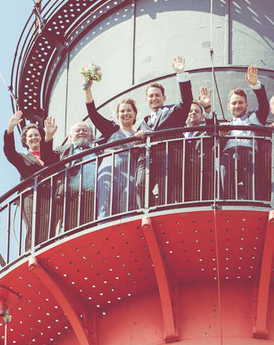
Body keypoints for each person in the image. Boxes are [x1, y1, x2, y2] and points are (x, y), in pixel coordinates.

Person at [134, 56, 194, 206]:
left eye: (157, 95)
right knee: (140, 185)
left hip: (168, 156)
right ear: (146, 100)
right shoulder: (143, 122)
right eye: (151, 96)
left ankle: (161, 211)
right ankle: (149, 209)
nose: (154, 98)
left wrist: (181, 74)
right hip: (147, 159)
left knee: (165, 187)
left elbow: (186, 101)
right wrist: (137, 137)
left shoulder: (172, 111)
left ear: (164, 98)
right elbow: (135, 145)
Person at [84, 80, 139, 218]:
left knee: (127, 204)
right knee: (105, 202)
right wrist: (87, 91)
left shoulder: (139, 133)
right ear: (117, 114)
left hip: (130, 171)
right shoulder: (111, 129)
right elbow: (93, 115)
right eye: (122, 111)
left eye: (129, 110)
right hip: (110, 169)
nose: (125, 113)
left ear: (135, 114)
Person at [4, 111, 58, 248]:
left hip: (51, 196)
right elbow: (9, 152)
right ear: (25, 141)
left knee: (49, 227)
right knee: (34, 225)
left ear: (41, 137)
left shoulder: (52, 154)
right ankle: (31, 253)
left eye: (36, 135)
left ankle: (47, 250)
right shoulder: (22, 158)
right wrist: (10, 130)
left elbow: (48, 158)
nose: (33, 138)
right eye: (30, 136)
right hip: (31, 196)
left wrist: (49, 136)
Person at [220, 66, 270, 200]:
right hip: (229, 154)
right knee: (224, 170)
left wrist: (256, 85)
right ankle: (226, 203)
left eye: (240, 103)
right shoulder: (225, 125)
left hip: (249, 154)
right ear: (229, 106)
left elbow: (264, 106)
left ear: (247, 105)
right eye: (234, 103)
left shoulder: (253, 118)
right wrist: (223, 135)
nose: (237, 106)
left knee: (252, 184)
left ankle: (253, 203)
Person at [48, 121, 98, 236]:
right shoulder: (63, 150)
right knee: (69, 231)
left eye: (85, 130)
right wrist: (49, 137)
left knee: (91, 231)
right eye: (77, 131)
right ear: (70, 136)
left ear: (91, 135)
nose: (81, 132)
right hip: (70, 198)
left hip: (93, 197)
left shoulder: (98, 150)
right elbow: (47, 158)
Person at [182, 100, 215, 202]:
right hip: (182, 176)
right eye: (190, 111)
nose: (193, 113)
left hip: (202, 176)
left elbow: (212, 127)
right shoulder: (178, 133)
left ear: (202, 117)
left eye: (196, 111)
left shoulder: (205, 132)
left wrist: (207, 107)